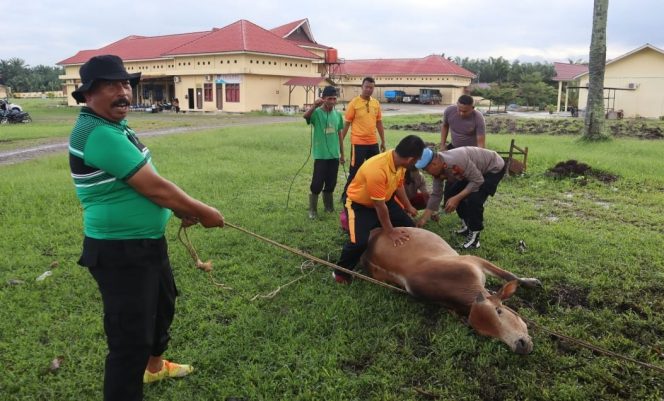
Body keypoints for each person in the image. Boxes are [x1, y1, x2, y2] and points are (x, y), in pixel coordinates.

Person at [68, 55, 225, 401]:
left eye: (125, 84)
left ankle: (153, 369)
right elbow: (153, 186)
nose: (123, 92)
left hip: (146, 243)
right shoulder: (96, 133)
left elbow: (141, 185)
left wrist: (177, 209)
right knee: (129, 341)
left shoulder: (114, 125)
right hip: (119, 250)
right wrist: (203, 211)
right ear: (88, 94)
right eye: (112, 85)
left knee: (163, 306)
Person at [334, 135, 425, 284]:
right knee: (359, 243)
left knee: (411, 228)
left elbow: (399, 185)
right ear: (410, 160)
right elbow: (379, 206)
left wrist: (408, 206)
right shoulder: (377, 169)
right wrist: (390, 231)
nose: (417, 163)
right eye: (417, 160)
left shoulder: (399, 164)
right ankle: (340, 272)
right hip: (360, 205)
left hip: (386, 200)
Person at [415, 146, 505, 249]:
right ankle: (467, 226)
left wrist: (457, 199)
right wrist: (423, 219)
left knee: (474, 200)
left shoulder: (457, 161)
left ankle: (474, 240)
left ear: (434, 163)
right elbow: (436, 194)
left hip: (493, 167)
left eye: (426, 169)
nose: (427, 172)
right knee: (452, 193)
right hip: (473, 171)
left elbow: (478, 181)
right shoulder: (439, 169)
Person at [339, 76, 386, 203]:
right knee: (355, 171)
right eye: (367, 87)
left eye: (371, 88)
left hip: (373, 143)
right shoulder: (354, 103)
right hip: (358, 144)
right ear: (362, 87)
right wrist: (340, 143)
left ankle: (371, 195)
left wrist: (383, 141)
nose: (369, 90)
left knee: (374, 170)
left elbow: (379, 123)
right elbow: (347, 124)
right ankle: (346, 195)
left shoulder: (376, 103)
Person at [302, 86, 344, 219]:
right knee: (317, 183)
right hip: (321, 155)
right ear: (323, 99)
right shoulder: (317, 113)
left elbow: (340, 135)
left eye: (334, 98)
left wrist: (342, 154)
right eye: (329, 98)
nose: (332, 101)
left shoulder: (337, 115)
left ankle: (328, 207)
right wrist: (314, 105)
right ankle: (312, 210)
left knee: (331, 182)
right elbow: (305, 116)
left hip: (334, 155)